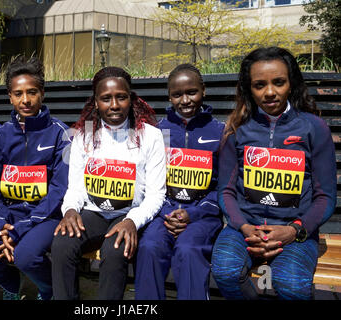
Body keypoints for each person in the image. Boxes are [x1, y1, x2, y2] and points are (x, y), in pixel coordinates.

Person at [211, 47, 337, 300]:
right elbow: (225, 191)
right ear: (249, 88)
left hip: (295, 232)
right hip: (244, 229)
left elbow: (326, 198)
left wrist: (294, 230)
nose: (270, 92)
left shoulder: (314, 128)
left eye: (278, 82)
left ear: (291, 84)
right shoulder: (237, 128)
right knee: (225, 271)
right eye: (259, 85)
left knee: (290, 285)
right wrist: (245, 227)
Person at [51, 66, 166, 300]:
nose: (114, 105)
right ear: (95, 102)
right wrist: (70, 209)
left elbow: (156, 194)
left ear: (130, 99)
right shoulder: (83, 135)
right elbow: (75, 188)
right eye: (106, 98)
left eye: (121, 97)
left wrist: (132, 221)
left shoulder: (151, 135)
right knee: (62, 243)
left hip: (129, 215)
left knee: (115, 251)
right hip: (94, 213)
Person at [0, 56, 70, 300]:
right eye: (18, 93)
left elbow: (59, 189)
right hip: (9, 213)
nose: (26, 100)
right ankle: (10, 281)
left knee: (26, 256)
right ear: (9, 97)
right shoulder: (1, 134)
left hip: (45, 215)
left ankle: (48, 289)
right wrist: (1, 223)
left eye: (32, 92)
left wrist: (22, 228)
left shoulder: (61, 134)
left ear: (42, 93)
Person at [135, 64, 224, 300]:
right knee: (149, 247)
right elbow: (148, 183)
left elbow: (223, 187)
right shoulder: (157, 132)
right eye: (177, 94)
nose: (185, 100)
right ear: (169, 96)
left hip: (203, 216)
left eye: (192, 92)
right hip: (164, 213)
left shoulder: (221, 132)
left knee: (188, 249)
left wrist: (193, 214)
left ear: (203, 91)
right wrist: (166, 212)